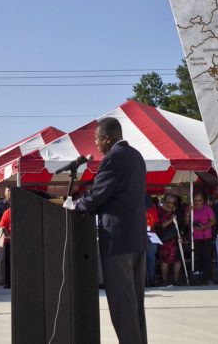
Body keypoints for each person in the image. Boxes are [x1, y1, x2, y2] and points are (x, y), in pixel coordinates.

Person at [70, 116, 149, 344]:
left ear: (107, 138)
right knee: (135, 304)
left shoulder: (113, 158)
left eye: (97, 140)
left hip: (117, 242)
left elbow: (99, 194)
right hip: (136, 239)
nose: (96, 145)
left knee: (122, 305)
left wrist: (76, 206)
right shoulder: (136, 156)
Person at [189, 191, 216, 285]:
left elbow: (213, 221)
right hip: (195, 238)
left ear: (203, 200)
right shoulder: (190, 208)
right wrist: (189, 212)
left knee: (207, 258)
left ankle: (209, 278)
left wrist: (204, 226)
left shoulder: (207, 208)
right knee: (197, 258)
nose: (197, 202)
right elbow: (185, 222)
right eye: (195, 200)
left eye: (199, 200)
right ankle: (199, 278)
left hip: (206, 236)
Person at [156, 193, 182, 287]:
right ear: (164, 201)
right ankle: (164, 280)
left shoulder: (175, 211)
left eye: (173, 202)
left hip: (176, 238)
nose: (170, 204)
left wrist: (181, 235)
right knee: (164, 261)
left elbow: (181, 225)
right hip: (164, 239)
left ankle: (176, 280)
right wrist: (171, 219)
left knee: (177, 260)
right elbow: (160, 226)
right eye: (168, 202)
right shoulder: (159, 211)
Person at [0, 187, 13, 289]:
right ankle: (2, 278)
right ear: (5, 193)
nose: (10, 193)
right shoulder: (0, 204)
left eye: (11, 191)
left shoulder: (18, 201)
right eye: (8, 191)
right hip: (3, 230)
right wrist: (1, 226)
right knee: (2, 257)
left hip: (13, 231)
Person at [144, 195, 159, 287]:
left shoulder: (152, 208)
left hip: (150, 235)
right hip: (146, 235)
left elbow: (155, 222)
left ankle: (150, 279)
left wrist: (148, 231)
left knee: (150, 258)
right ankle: (147, 280)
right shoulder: (138, 208)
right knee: (149, 258)